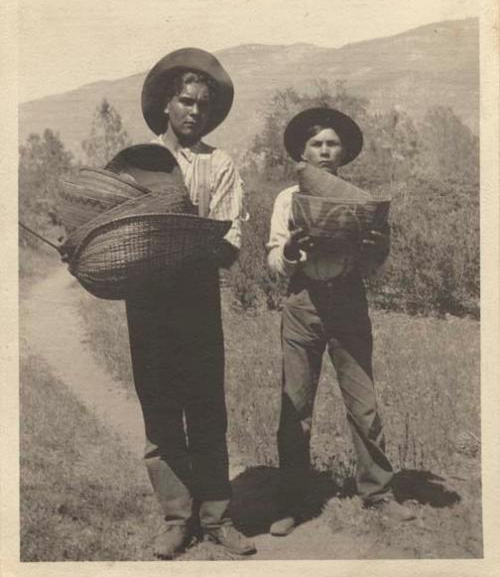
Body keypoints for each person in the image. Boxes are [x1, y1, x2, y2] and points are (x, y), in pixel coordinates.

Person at [124, 48, 255, 558]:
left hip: (197, 300)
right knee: (159, 407)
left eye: (202, 103)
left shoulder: (219, 164)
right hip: (147, 301)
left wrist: (183, 235)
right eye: (185, 101)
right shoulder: (135, 163)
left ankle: (217, 516)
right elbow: (117, 229)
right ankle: (177, 518)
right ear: (165, 105)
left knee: (206, 408)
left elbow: (228, 242)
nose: (193, 111)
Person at [266, 107, 415, 536]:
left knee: (363, 404)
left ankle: (379, 493)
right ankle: (293, 501)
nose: (325, 151)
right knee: (296, 405)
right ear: (303, 151)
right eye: (317, 144)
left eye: (332, 144)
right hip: (303, 303)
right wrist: (291, 249)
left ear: (344, 152)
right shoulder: (286, 198)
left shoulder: (358, 198)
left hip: (349, 300)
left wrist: (378, 247)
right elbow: (274, 259)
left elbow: (372, 268)